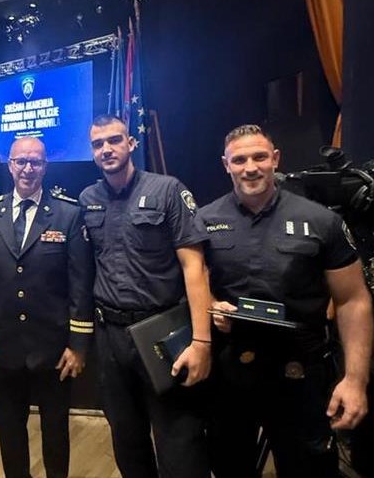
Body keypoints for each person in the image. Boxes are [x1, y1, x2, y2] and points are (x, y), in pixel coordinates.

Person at [197, 124, 373, 478]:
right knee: (228, 465)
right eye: (239, 160)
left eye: (259, 157)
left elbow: (353, 301)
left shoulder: (321, 221)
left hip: (299, 368)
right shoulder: (205, 220)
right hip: (231, 368)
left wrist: (356, 380)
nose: (250, 168)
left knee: (307, 467)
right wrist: (213, 304)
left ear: (275, 159)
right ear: (226, 165)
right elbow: (196, 282)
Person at [79, 114, 212, 478]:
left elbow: (194, 267)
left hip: (161, 331)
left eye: (114, 140)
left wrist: (202, 341)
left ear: (131, 143)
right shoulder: (88, 199)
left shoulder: (167, 190)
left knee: (179, 443)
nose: (106, 149)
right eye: (98, 144)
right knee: (126, 438)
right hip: (110, 336)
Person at [0, 137, 95, 478]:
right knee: (9, 432)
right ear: (10, 165)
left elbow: (80, 284)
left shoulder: (68, 215)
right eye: (21, 161)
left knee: (55, 432)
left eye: (35, 162)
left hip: (53, 348)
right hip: (2, 346)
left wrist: (79, 345)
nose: (28, 168)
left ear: (45, 167)